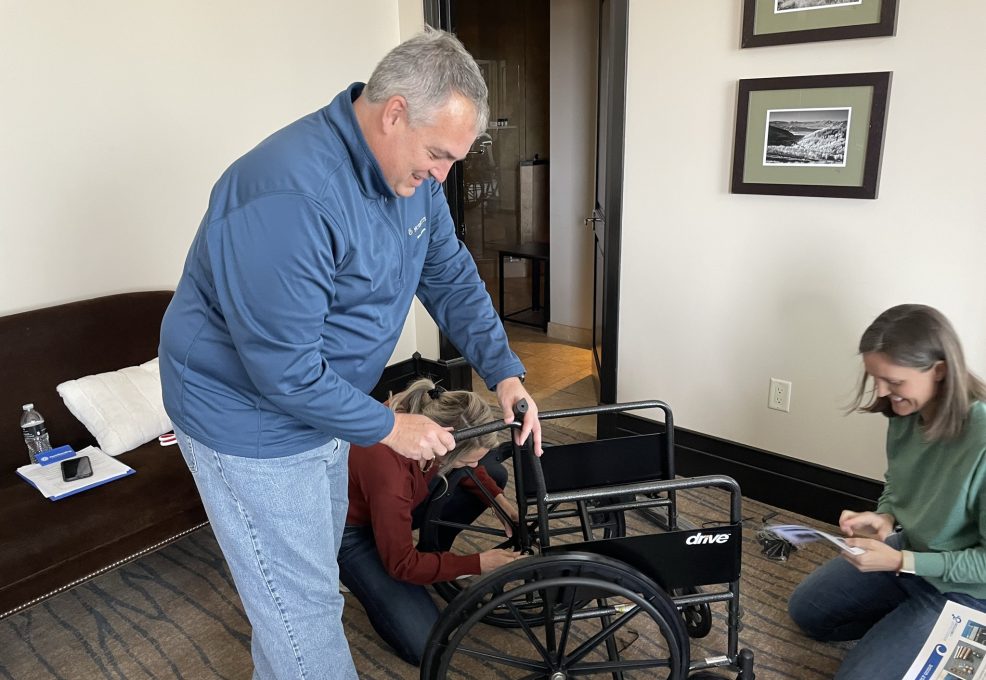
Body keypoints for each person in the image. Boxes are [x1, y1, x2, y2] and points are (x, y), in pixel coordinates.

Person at [159, 28, 541, 680]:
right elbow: (282, 371)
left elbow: (447, 273)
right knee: (301, 608)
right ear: (393, 112)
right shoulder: (290, 195)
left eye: (454, 158)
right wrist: (390, 425)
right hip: (249, 421)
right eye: (437, 155)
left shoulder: (411, 178)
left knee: (302, 586)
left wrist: (503, 369)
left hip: (324, 407)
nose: (443, 176)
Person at [788, 304, 986, 680]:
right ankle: (905, 629)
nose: (882, 392)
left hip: (971, 591)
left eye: (893, 381)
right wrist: (885, 516)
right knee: (807, 611)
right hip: (914, 554)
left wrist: (899, 562)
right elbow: (898, 479)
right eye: (875, 378)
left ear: (939, 371)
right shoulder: (906, 411)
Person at [339, 378, 522, 665]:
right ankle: (353, 570)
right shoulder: (390, 474)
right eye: (466, 461)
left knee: (492, 476)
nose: (474, 467)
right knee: (427, 646)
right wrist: (478, 563)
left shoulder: (429, 413)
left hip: (396, 500)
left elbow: (472, 470)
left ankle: (431, 557)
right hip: (351, 532)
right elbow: (400, 565)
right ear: (442, 448)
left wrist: (503, 506)